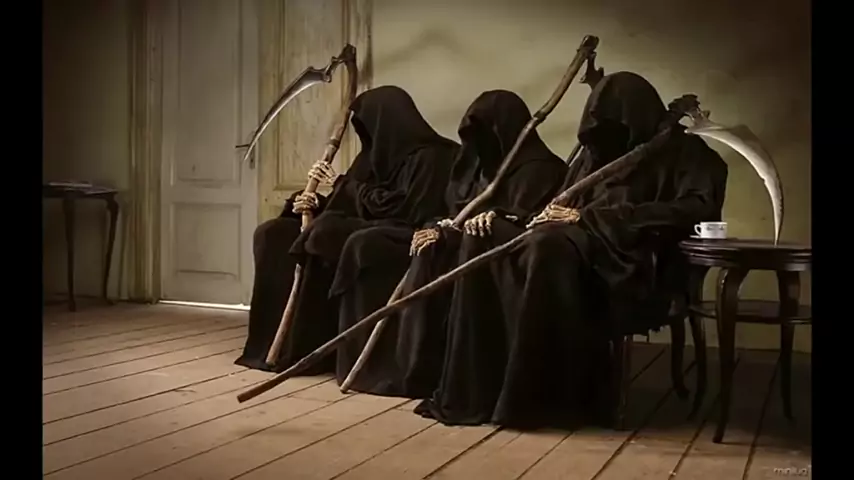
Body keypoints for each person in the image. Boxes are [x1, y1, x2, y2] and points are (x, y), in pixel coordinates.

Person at [415, 71, 729, 428]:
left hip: (625, 259)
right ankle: (476, 390)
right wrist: (506, 218)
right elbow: (553, 210)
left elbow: (694, 209)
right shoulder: (592, 157)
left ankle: (536, 398)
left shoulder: (687, 155)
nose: (608, 135)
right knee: (482, 234)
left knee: (547, 246)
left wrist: (590, 218)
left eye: (617, 125)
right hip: (561, 243)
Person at [332, 90, 568, 398]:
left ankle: (446, 372)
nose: (481, 144)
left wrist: (485, 222)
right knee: (426, 250)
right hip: (459, 243)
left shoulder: (541, 168)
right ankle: (415, 368)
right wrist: (436, 229)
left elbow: (528, 220)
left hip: (505, 257)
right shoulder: (478, 169)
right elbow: (451, 212)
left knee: (436, 255)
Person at [234, 86, 459, 373]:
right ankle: (277, 344)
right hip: (363, 224)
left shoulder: (434, 156)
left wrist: (342, 184)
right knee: (273, 233)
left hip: (402, 229)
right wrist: (313, 203)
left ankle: (312, 342)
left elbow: (406, 209)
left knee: (325, 233)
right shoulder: (371, 157)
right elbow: (346, 200)